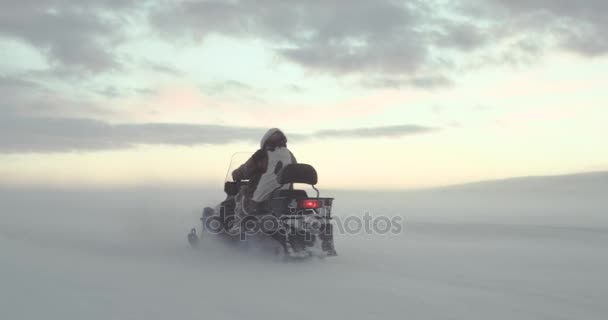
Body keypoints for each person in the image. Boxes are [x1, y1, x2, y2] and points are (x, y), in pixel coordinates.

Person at [230, 128, 297, 215]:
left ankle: (237, 226)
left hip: (260, 198)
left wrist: (235, 174)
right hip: (285, 195)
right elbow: (294, 170)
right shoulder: (290, 155)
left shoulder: (262, 154)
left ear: (266, 140)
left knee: (240, 199)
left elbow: (246, 169)